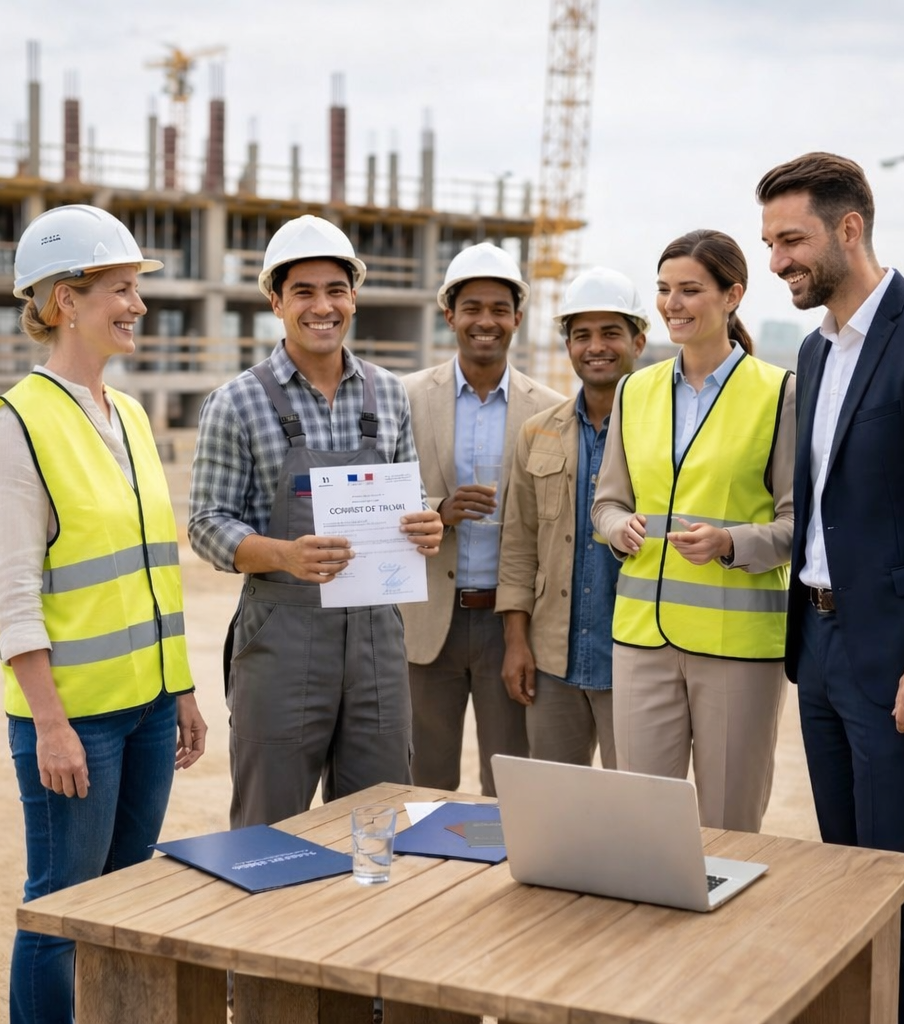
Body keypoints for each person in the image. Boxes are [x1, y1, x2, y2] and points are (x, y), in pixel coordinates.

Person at [0, 204, 207, 1024]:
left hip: (144, 710)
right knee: (62, 910)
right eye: (121, 288)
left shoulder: (131, 414)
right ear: (66, 301)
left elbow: (154, 571)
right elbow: (12, 593)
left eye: (137, 288)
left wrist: (179, 687)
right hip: (75, 721)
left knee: (126, 897)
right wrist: (52, 725)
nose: (138, 304)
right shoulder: (17, 426)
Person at [757, 152, 904, 1024]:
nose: (777, 261)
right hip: (821, 648)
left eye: (792, 239)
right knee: (844, 879)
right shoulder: (814, 353)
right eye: (769, 242)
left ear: (850, 228)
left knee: (900, 885)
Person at [188, 214, 442, 828]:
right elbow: (205, 523)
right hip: (281, 633)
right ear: (276, 300)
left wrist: (425, 524)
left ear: (353, 297)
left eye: (335, 290)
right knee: (267, 825)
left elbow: (407, 500)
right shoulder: (237, 402)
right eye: (303, 291)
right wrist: (283, 555)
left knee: (379, 819)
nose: (321, 306)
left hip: (378, 636)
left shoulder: (388, 394)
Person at [591, 229, 795, 832]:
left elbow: (799, 521)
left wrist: (732, 544)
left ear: (732, 295)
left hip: (737, 644)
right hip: (640, 641)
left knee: (729, 826)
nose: (672, 304)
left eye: (689, 290)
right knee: (643, 823)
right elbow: (606, 504)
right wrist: (617, 528)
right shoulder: (635, 390)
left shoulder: (778, 392)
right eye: (663, 290)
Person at [400, 243, 564, 795]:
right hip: (426, 625)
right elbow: (380, 506)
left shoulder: (550, 410)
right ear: (450, 314)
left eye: (499, 308)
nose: (485, 321)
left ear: (518, 317)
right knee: (424, 783)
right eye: (472, 307)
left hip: (510, 626)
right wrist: (436, 514)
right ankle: (426, 882)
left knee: (512, 783)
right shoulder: (406, 398)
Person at [497, 267, 648, 768]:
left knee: (633, 812)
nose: (595, 346)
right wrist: (517, 643)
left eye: (610, 333)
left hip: (635, 660)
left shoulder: (663, 433)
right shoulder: (538, 433)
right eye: (581, 335)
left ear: (639, 341)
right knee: (558, 810)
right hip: (552, 661)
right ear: (568, 345)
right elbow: (518, 547)